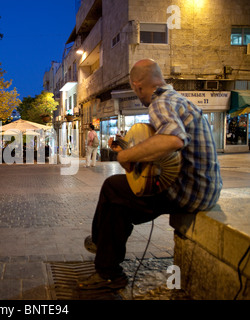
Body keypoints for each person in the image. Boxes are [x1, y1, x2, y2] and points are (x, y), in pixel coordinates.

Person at [78, 59, 223, 291]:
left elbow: (173, 139)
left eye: (135, 91)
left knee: (112, 187)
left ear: (137, 85)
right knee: (118, 204)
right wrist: (131, 151)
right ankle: (107, 266)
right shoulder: (177, 99)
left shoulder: (159, 102)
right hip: (205, 188)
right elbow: (167, 155)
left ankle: (101, 250)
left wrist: (126, 157)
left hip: (188, 191)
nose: (137, 96)